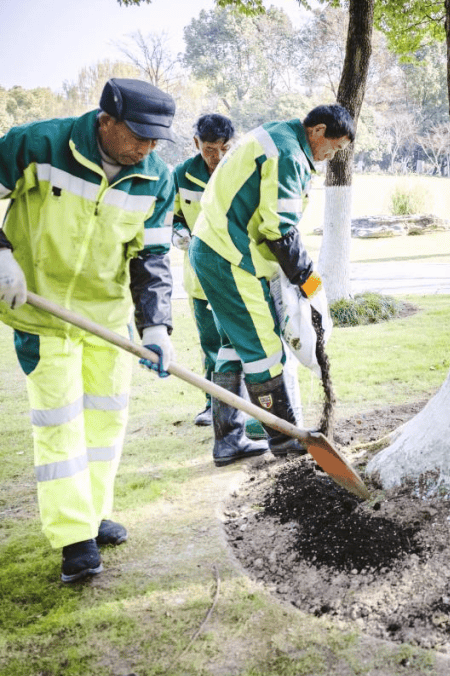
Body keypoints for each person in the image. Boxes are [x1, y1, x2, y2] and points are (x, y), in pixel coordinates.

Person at [0, 77, 178, 583]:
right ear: (106, 120)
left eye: (154, 139)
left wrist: (157, 326)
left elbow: (153, 257)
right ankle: (73, 538)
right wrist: (1, 253)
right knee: (60, 423)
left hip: (107, 319)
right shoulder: (39, 145)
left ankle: (94, 512)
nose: (145, 148)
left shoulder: (155, 180)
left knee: (105, 422)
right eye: (137, 135)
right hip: (41, 313)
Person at [189, 104, 353, 459]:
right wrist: (308, 281)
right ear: (319, 131)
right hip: (230, 257)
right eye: (335, 147)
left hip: (214, 248)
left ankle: (229, 440)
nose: (331, 156)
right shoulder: (289, 155)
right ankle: (284, 438)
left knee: (233, 346)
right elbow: (278, 229)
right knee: (264, 349)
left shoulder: (277, 136)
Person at [173, 114, 270, 467]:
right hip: (200, 280)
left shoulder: (242, 167)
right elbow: (173, 218)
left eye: (224, 148)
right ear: (196, 144)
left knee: (243, 344)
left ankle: (250, 415)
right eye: (210, 149)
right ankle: (214, 407)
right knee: (213, 346)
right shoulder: (181, 175)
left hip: (238, 272)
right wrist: (177, 234)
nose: (217, 156)